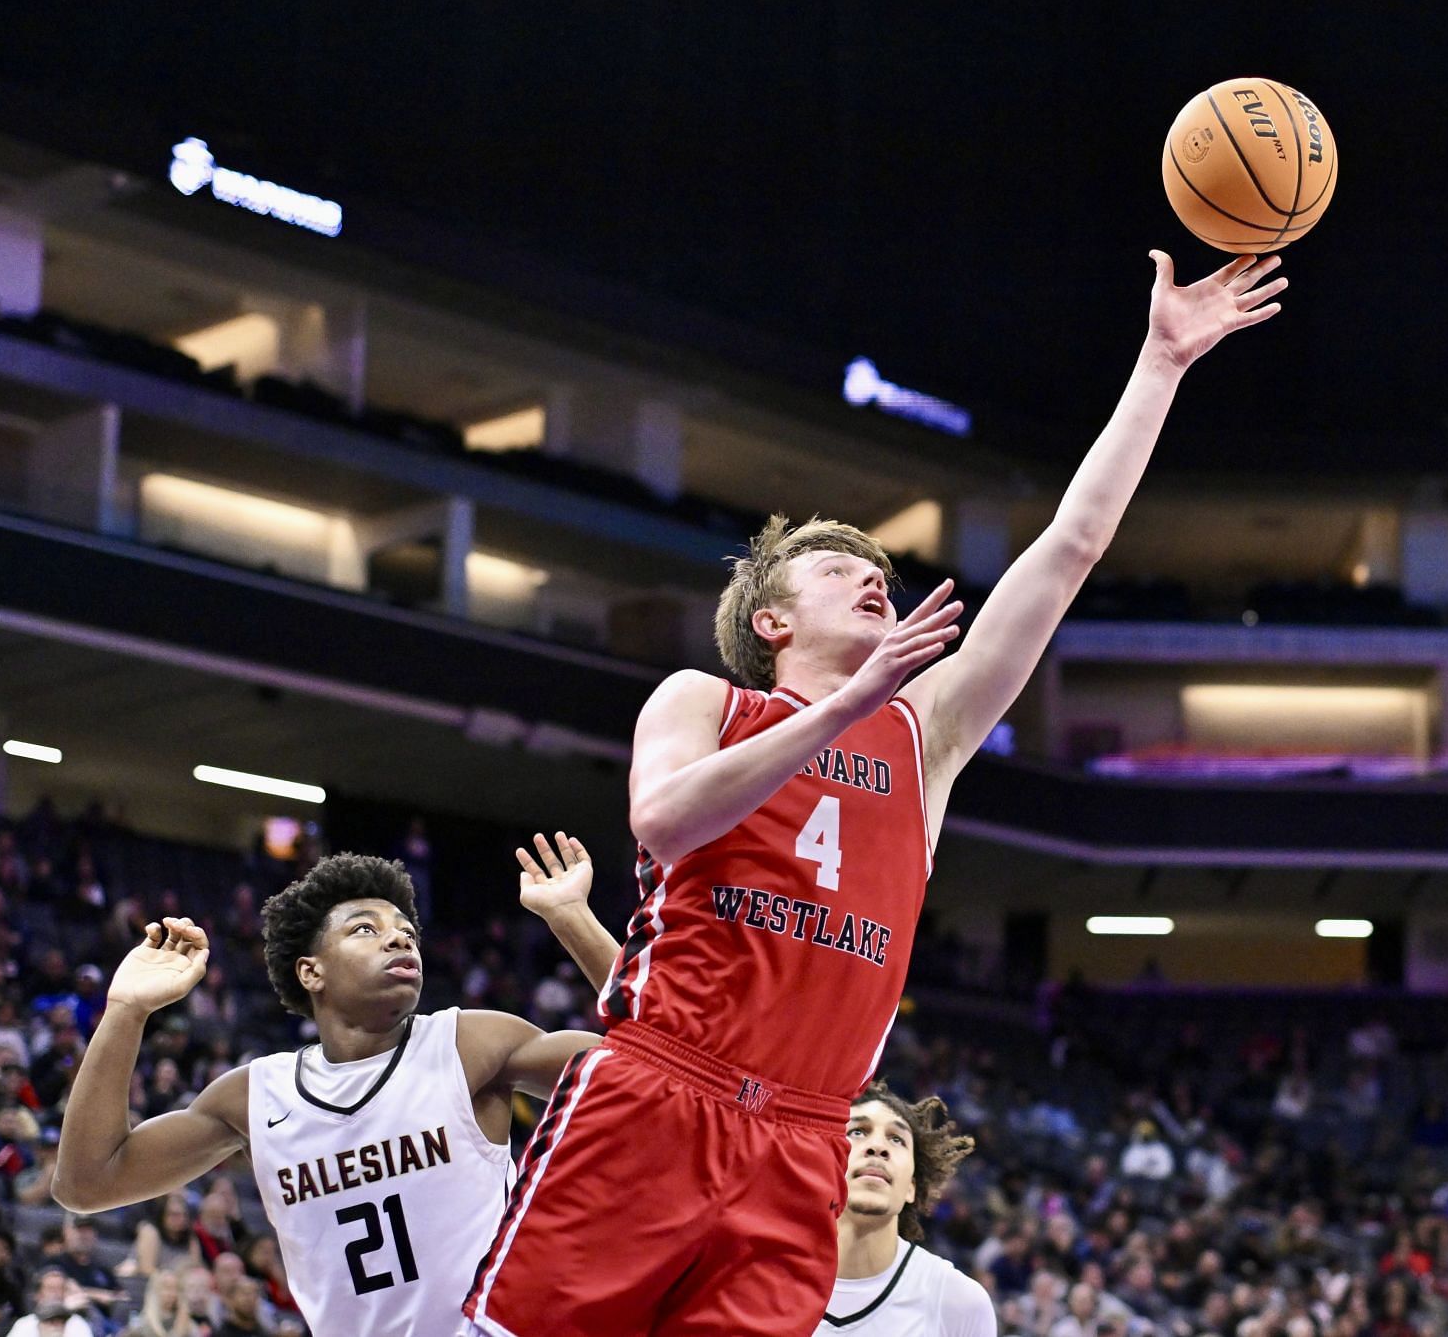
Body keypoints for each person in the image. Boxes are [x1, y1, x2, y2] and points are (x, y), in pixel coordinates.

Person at [463, 247, 1288, 1337]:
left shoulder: (925, 731)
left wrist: (1162, 362)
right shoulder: (703, 700)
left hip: (806, 1139)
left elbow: (1072, 547)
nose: (872, 575)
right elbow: (663, 820)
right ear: (771, 622)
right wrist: (841, 709)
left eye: (878, 569)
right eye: (833, 566)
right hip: (657, 1090)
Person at [56, 837, 621, 1337]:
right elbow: (87, 1183)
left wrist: (572, 918)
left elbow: (664, 1069)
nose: (398, 941)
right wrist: (125, 1012)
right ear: (311, 972)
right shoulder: (255, 1096)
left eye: (406, 933)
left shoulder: (471, 1043)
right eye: (366, 930)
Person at [815, 1082, 992, 1336]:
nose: (878, 1147)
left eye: (897, 1139)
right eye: (857, 1132)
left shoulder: (959, 1303)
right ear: (825, 1161)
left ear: (911, 1187)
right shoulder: (764, 1277)